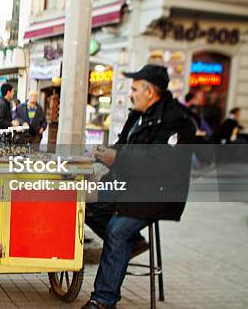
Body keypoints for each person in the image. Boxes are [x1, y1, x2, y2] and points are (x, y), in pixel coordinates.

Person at [81, 64, 195, 309]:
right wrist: (106, 153)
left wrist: (118, 159)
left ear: (150, 91)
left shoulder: (178, 121)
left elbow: (162, 164)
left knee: (117, 230)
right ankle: (134, 243)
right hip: (128, 185)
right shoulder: (137, 114)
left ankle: (103, 300)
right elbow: (123, 146)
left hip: (157, 193)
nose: (130, 93)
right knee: (86, 208)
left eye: (134, 89)